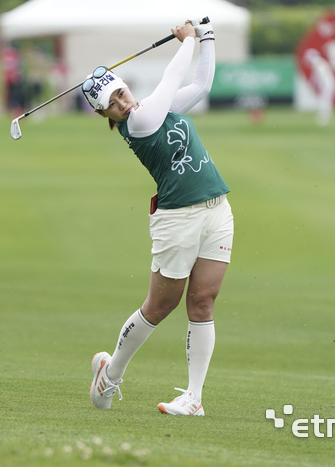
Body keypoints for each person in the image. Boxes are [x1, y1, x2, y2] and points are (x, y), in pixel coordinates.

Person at [86, 20, 232, 416]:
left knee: (203, 302)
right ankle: (110, 375)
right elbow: (173, 75)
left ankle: (194, 398)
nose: (121, 102)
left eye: (120, 92)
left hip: (217, 210)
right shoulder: (139, 121)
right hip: (177, 219)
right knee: (159, 306)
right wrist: (187, 41)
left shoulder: (156, 108)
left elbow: (200, 85)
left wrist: (207, 38)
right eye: (111, 104)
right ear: (106, 115)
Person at [302, 48, 335, 126]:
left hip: (327, 84)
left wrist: (320, 85)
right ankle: (324, 116)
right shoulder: (320, 62)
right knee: (325, 100)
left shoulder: (318, 63)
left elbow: (321, 76)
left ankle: (325, 117)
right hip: (327, 84)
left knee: (325, 100)